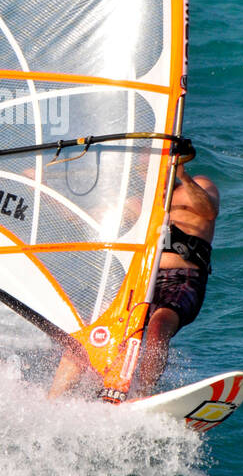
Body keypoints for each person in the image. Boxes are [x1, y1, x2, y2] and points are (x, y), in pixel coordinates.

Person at [47, 146, 219, 400]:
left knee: (159, 325)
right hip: (139, 281)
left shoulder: (201, 185)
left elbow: (209, 211)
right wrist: (47, 189)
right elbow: (85, 219)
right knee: (91, 331)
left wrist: (182, 176)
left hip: (182, 278)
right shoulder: (139, 203)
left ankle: (143, 394)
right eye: (144, 167)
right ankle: (55, 398)